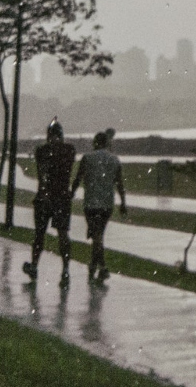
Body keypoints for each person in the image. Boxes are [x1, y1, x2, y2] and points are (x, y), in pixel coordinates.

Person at [23, 119, 76, 286]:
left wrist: (44, 191)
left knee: (39, 234)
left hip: (45, 197)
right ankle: (65, 270)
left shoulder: (42, 151)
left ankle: (34, 266)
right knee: (62, 234)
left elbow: (42, 173)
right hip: (62, 197)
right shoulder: (69, 150)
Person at [71, 131, 127, 283]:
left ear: (95, 142)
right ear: (107, 143)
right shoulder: (115, 160)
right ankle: (95, 265)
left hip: (90, 204)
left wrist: (71, 193)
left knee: (96, 235)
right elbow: (120, 183)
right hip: (107, 204)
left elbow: (78, 178)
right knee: (98, 234)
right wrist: (123, 202)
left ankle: (100, 267)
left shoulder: (87, 158)